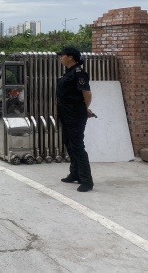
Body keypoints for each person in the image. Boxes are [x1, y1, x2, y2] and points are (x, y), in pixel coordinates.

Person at [56, 46, 94, 192]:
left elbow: (87, 93)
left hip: (75, 114)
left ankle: (87, 181)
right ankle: (75, 173)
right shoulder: (69, 72)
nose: (61, 58)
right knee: (69, 143)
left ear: (70, 57)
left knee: (77, 146)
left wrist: (85, 108)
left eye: (62, 55)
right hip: (66, 113)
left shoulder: (79, 73)